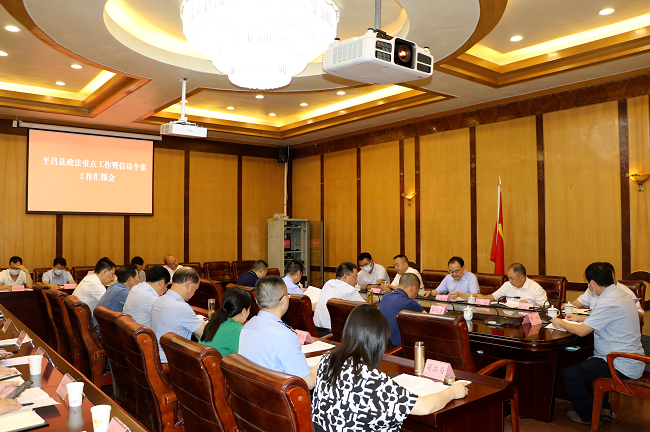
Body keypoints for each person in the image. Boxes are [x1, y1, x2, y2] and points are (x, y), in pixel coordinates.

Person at [311, 304, 468, 432]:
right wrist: (452, 392)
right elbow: (425, 406)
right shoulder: (372, 380)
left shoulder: (328, 360)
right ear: (378, 341)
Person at [552, 262, 644, 425]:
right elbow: (604, 318)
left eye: (589, 283)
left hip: (619, 362)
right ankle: (603, 408)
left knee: (570, 375)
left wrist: (560, 323)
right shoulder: (620, 294)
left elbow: (582, 331)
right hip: (629, 357)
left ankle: (587, 417)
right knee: (588, 362)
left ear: (593, 283)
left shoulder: (608, 300)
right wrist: (579, 318)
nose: (589, 287)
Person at [239, 275, 318, 389]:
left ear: (256, 300)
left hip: (253, 392)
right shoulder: (284, 335)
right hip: (275, 396)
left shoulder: (247, 326)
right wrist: (323, 363)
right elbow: (308, 383)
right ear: (284, 300)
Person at [150, 267, 206, 363]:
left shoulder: (158, 300)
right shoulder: (182, 307)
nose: (194, 293)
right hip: (173, 363)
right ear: (188, 284)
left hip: (157, 357)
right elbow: (203, 335)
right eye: (195, 289)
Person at [565, 262, 644, 321]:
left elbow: (640, 314)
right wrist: (568, 306)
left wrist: (627, 311)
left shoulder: (625, 292)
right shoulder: (594, 289)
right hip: (594, 325)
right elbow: (580, 302)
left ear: (614, 275)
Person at [313, 262, 365, 336]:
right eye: (355, 277)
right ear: (345, 276)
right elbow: (367, 309)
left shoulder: (328, 283)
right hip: (333, 335)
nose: (356, 281)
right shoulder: (349, 290)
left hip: (316, 332)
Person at [200, 287, 252, 356]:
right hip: (216, 362)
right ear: (243, 311)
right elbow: (245, 357)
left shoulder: (214, 321)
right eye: (249, 309)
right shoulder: (237, 329)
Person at [379, 273, 424, 348]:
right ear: (413, 289)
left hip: (382, 345)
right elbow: (429, 320)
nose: (415, 296)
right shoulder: (409, 302)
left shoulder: (385, 296)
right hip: (398, 349)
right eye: (417, 292)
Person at [478, 263, 547, 305]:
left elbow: (546, 306)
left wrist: (530, 306)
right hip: (509, 318)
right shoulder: (507, 285)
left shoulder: (536, 288)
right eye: (508, 278)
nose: (510, 281)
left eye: (512, 278)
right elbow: (494, 297)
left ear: (522, 277)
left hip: (527, 318)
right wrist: (484, 297)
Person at [72, 257, 116, 323]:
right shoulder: (95, 284)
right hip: (86, 322)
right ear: (104, 272)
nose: (112, 278)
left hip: (77, 320)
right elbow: (110, 306)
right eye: (112, 274)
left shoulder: (90, 278)